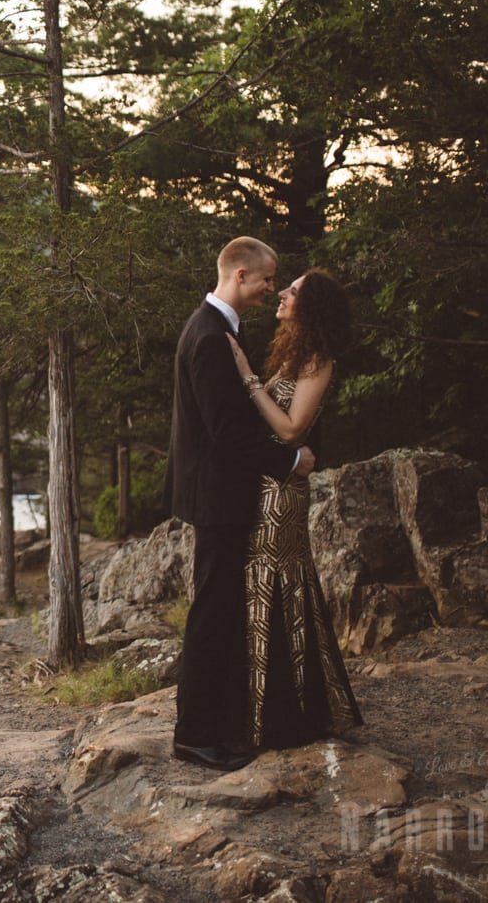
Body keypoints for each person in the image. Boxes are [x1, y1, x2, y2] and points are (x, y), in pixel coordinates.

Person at [165, 237, 315, 772]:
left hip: (221, 491)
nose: (272, 289)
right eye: (268, 279)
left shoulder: (218, 328)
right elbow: (226, 432)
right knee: (212, 612)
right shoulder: (208, 336)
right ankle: (193, 735)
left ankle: (221, 726)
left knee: (222, 609)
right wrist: (290, 462)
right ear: (242, 275)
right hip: (217, 494)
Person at [225, 267, 363, 749]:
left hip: (281, 493)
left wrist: (246, 378)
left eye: (293, 291)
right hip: (267, 483)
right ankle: (260, 708)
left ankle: (287, 712)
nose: (281, 293)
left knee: (280, 588)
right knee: (262, 586)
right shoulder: (294, 354)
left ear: (311, 306)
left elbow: (289, 431)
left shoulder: (318, 360)